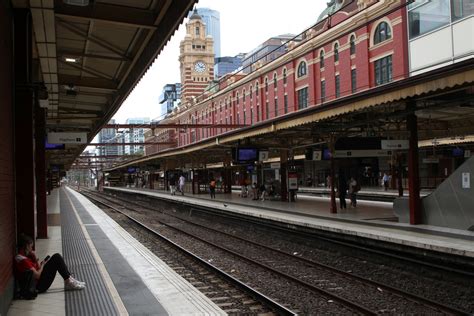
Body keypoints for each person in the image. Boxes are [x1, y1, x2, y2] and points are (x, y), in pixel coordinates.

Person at [14, 234, 85, 294]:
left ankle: (69, 279)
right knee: (56, 257)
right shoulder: (23, 260)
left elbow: (37, 269)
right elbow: (37, 275)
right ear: (26, 246)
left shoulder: (24, 257)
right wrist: (42, 265)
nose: (32, 249)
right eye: (30, 247)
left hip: (38, 282)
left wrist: (35, 259)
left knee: (56, 257)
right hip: (37, 286)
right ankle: (68, 281)